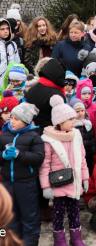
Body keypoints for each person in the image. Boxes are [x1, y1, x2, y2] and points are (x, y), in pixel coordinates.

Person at [39, 95, 89, 246]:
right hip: (58, 184)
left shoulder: (76, 135)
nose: (75, 122)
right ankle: (59, 240)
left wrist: (85, 178)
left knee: (75, 212)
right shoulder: (48, 140)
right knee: (58, 214)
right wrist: (46, 186)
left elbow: (82, 158)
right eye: (71, 119)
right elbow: (45, 165)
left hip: (74, 182)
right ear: (60, 122)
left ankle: (76, 238)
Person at [0, 102, 44, 246]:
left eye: (16, 119)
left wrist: (20, 154)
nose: (11, 121)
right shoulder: (4, 135)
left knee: (30, 216)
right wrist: (3, 155)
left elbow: (38, 158)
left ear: (26, 121)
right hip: (7, 182)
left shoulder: (34, 137)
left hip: (27, 183)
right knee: (10, 216)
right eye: (11, 118)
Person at [71, 98, 96, 176]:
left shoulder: (88, 123)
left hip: (88, 153)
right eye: (77, 111)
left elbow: (92, 139)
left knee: (88, 171)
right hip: (76, 154)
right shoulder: (71, 125)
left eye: (82, 111)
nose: (80, 113)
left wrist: (94, 152)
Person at [0, 18, 20, 87]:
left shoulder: (13, 45)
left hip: (11, 82)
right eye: (2, 29)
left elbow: (17, 63)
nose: (6, 31)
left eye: (7, 28)